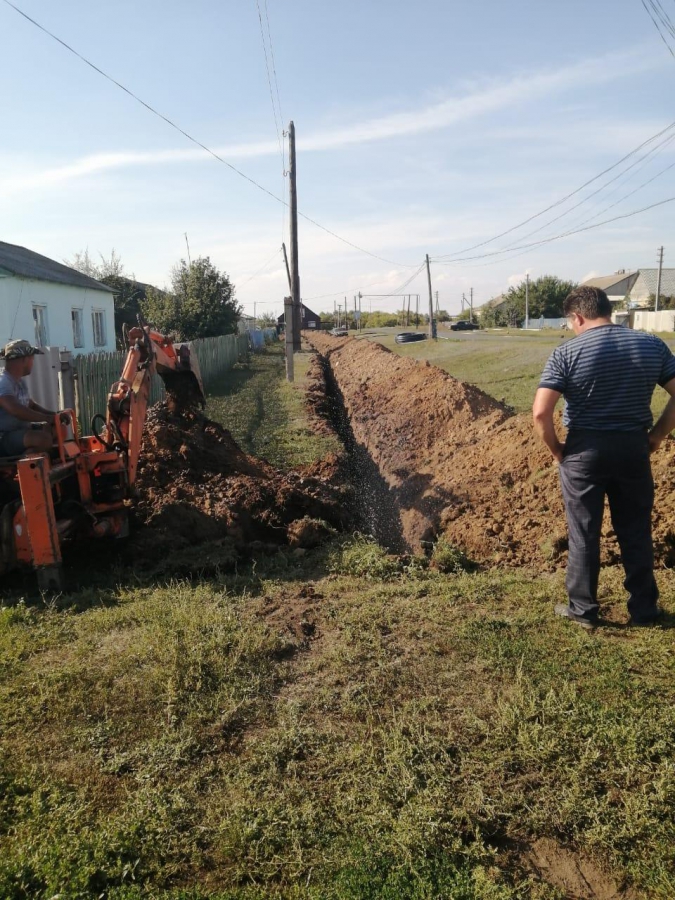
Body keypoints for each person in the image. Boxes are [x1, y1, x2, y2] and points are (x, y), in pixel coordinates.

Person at [532, 286, 675, 629]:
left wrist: (558, 452)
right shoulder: (651, 344)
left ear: (577, 316)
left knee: (584, 532)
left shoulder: (567, 352)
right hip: (632, 449)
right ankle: (644, 612)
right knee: (636, 531)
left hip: (584, 452)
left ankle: (583, 611)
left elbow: (540, 413)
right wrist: (656, 436)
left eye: (570, 322)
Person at [0, 339, 63, 456]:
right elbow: (15, 409)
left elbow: (31, 405)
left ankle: (37, 459)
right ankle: (18, 466)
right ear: (23, 359)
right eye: (32, 359)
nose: (32, 363)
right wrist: (46, 418)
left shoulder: (19, 382)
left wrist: (55, 416)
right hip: (4, 436)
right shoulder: (3, 383)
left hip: (19, 432)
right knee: (43, 439)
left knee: (57, 429)